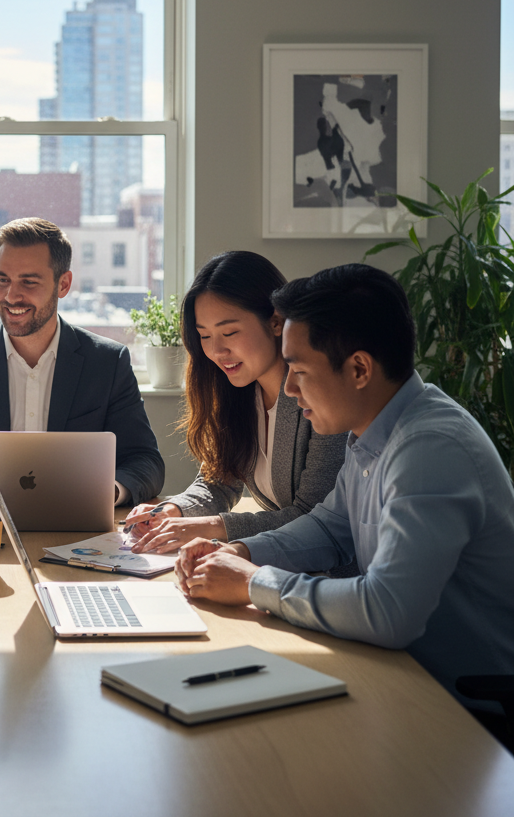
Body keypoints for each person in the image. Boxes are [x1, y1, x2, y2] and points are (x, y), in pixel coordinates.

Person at [174, 263, 514, 717]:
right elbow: (329, 528)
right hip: (399, 676)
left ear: (358, 369)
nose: (289, 389)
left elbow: (389, 611)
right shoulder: (372, 432)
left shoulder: (430, 448)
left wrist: (255, 583)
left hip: (464, 707)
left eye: (298, 370)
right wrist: (242, 552)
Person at [0, 217, 164, 509]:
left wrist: (105, 493)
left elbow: (145, 460)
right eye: (3, 280)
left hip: (77, 529)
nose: (11, 296)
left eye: (28, 281)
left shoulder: (108, 362)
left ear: (63, 284)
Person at [124, 251, 349, 556]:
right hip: (282, 562)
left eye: (229, 332)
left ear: (275, 321)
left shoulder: (320, 395)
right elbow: (218, 482)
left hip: (332, 575)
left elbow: (312, 517)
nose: (217, 351)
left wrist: (213, 527)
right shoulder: (238, 392)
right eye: (204, 336)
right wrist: (173, 510)